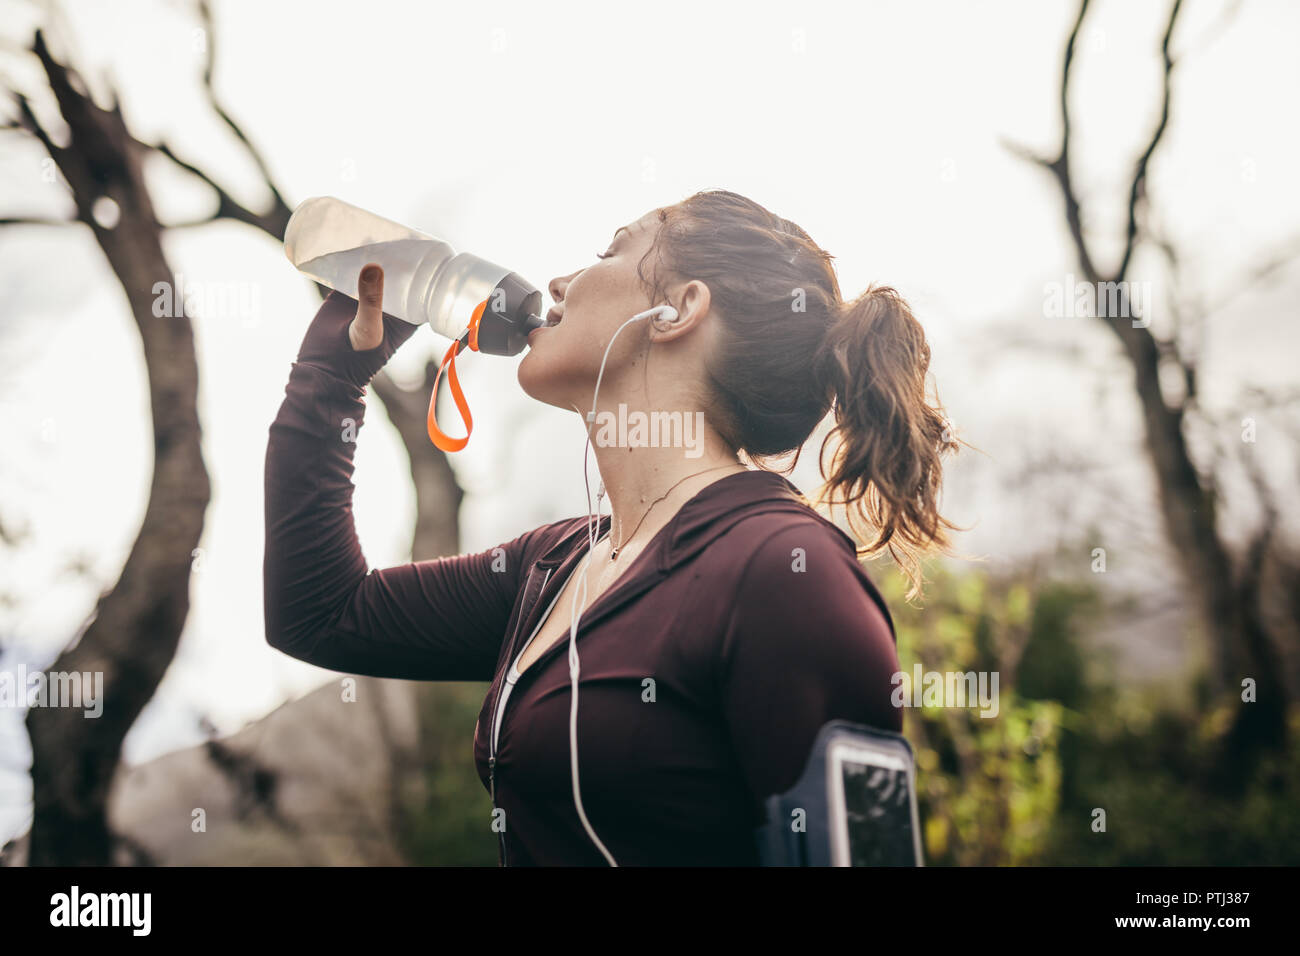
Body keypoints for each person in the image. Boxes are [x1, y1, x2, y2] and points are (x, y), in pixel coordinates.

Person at [263, 188, 959, 865]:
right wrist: (329, 378)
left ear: (678, 308)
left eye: (611, 249)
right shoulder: (551, 569)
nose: (558, 282)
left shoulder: (785, 571)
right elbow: (321, 613)